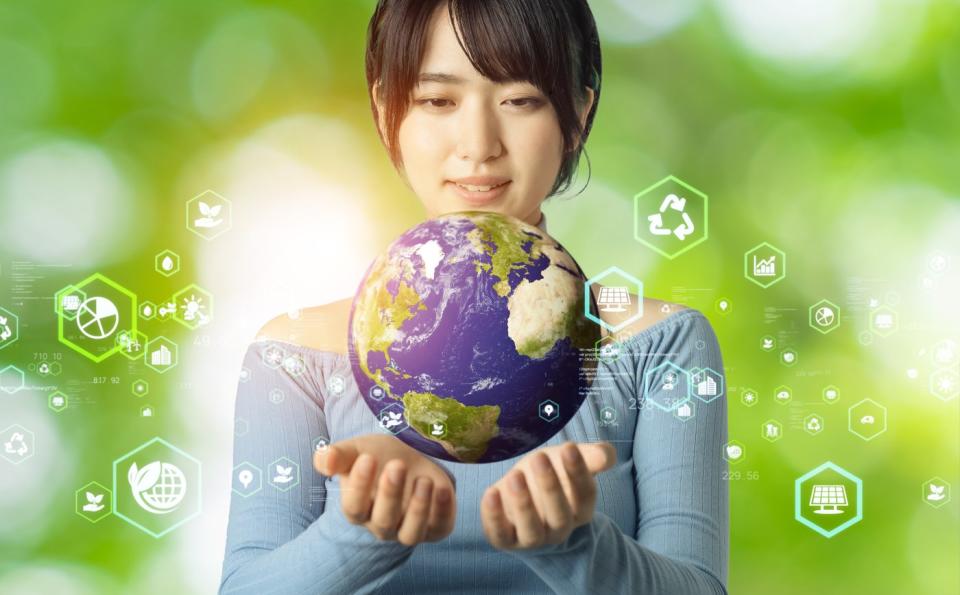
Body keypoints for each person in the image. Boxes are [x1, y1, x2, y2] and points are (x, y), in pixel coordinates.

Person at [219, 1, 728, 593]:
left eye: (521, 100)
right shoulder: (295, 356)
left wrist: (575, 544)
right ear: (387, 112)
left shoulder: (660, 345)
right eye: (438, 101)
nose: (480, 144)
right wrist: (362, 534)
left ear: (578, 114)